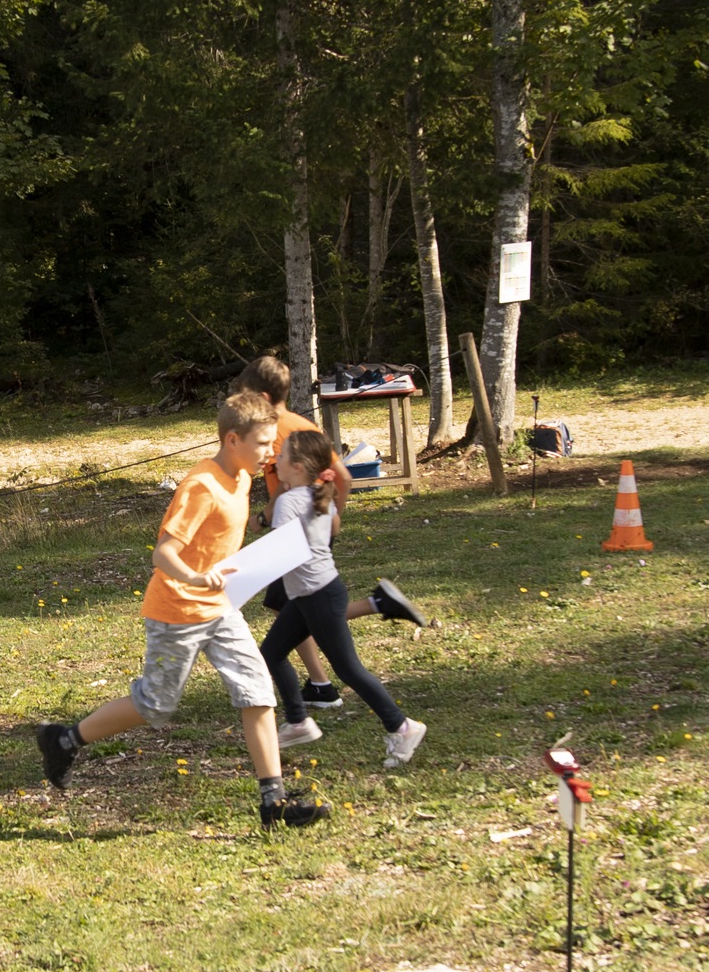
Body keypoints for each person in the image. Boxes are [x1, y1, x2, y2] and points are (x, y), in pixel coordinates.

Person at [35, 392, 327, 829]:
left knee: (258, 692)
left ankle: (274, 802)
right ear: (233, 440)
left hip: (222, 608)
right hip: (177, 611)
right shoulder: (200, 486)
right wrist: (193, 577)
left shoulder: (242, 478)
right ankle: (63, 739)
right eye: (264, 443)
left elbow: (223, 532)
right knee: (156, 704)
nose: (271, 453)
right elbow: (163, 553)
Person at [256, 429, 427, 769]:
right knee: (271, 652)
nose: (276, 461)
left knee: (348, 669)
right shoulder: (319, 495)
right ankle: (298, 721)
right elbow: (330, 530)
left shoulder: (290, 501)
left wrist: (238, 573)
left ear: (300, 465)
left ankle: (402, 726)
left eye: (283, 456)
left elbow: (283, 553)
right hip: (313, 594)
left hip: (318, 595)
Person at [237, 353, 430, 653]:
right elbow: (343, 478)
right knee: (292, 606)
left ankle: (324, 681)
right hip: (310, 525)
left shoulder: (277, 431)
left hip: (298, 530)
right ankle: (373, 609)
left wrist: (263, 518)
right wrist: (331, 516)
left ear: (262, 397)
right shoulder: (299, 424)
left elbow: (290, 489)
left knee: (300, 609)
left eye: (246, 398)